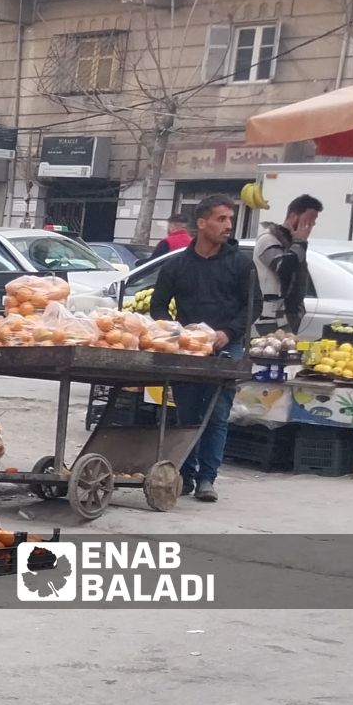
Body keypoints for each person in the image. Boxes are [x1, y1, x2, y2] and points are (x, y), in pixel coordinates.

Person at [150, 194, 257, 503]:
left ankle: (208, 478)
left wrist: (228, 332)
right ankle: (185, 474)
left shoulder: (240, 264)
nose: (228, 226)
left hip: (227, 345)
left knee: (217, 413)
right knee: (186, 413)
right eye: (221, 219)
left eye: (230, 220)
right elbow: (158, 306)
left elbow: (253, 306)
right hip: (188, 347)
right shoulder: (177, 265)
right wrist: (174, 331)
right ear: (201, 223)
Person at [254, 194, 322, 336]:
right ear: (293, 217)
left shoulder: (292, 241)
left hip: (285, 316)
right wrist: (300, 242)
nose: (311, 225)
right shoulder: (268, 239)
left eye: (314, 221)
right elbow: (284, 268)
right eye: (309, 220)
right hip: (268, 318)